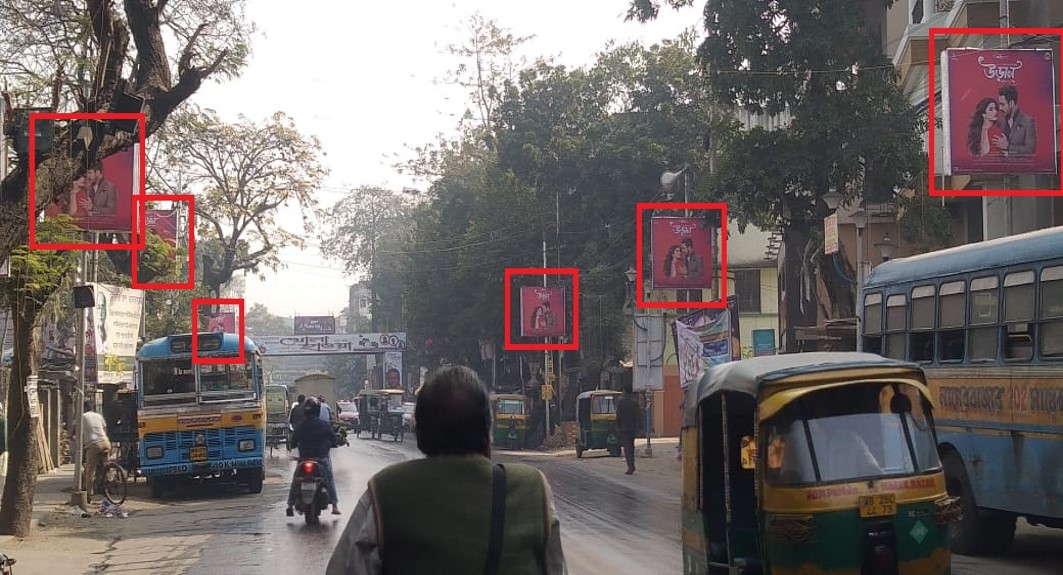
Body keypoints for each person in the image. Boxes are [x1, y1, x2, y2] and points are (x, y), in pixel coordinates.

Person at [326, 365, 567, 575]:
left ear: (420, 435)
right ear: (487, 431)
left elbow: (345, 568)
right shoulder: (533, 491)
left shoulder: (384, 491)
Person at [287, 397, 341, 516]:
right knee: (329, 480)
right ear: (317, 410)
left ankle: (290, 505)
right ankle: (335, 506)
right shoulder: (324, 425)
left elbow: (293, 442)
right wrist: (334, 443)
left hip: (304, 459)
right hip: (321, 459)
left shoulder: (300, 426)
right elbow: (333, 440)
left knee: (296, 480)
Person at [994, 85, 1037, 156]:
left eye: (1002, 104)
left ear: (1011, 103)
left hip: (1022, 166)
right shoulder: (1001, 122)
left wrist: (1009, 147)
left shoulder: (1028, 122)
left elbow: (1030, 150)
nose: (1000, 108)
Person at [81, 401, 111, 500]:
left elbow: (74, 431)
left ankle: (88, 494)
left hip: (94, 445)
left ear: (84, 408)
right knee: (105, 465)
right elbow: (105, 429)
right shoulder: (99, 416)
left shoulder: (82, 416)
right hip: (106, 442)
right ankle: (107, 481)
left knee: (90, 469)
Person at [616, 387, 639, 475]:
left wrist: (618, 427)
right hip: (632, 428)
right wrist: (638, 428)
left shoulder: (621, 403)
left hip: (624, 428)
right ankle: (632, 465)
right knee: (631, 447)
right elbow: (638, 416)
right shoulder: (634, 402)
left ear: (625, 392)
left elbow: (618, 416)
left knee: (627, 448)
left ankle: (630, 466)